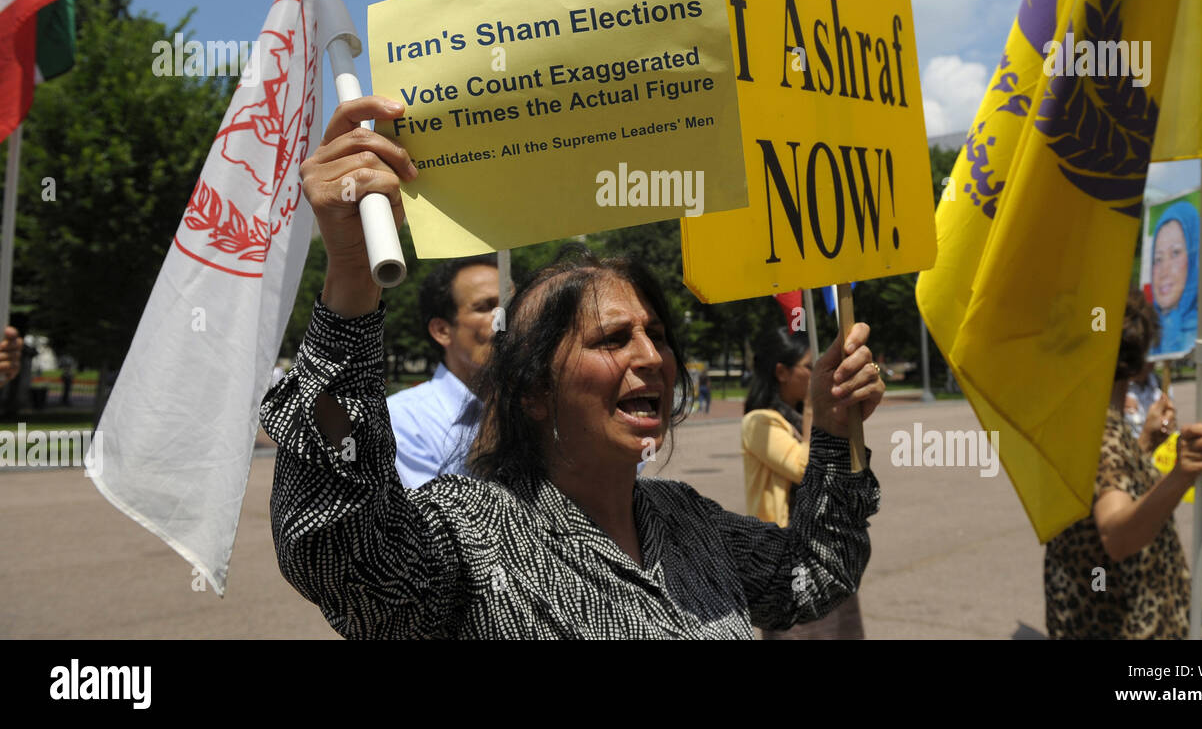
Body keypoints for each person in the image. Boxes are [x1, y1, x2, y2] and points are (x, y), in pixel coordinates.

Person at [261, 95, 886, 639]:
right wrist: (349, 271)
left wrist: (833, 431)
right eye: (613, 339)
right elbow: (339, 553)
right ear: (534, 391)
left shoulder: (689, 522)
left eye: (658, 334)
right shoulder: (473, 536)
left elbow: (813, 573)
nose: (651, 358)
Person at [1043, 289, 1202, 639]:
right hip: (1126, 627)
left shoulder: (1089, 424)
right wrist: (1180, 475)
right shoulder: (1100, 431)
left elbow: (1106, 482)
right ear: (1140, 360)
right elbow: (1117, 535)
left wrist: (1144, 444)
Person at [742, 326, 868, 640]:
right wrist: (815, 411)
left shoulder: (802, 420)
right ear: (782, 372)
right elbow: (805, 468)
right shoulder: (760, 422)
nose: (816, 374)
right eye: (809, 367)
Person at [386, 253, 501, 486]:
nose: (503, 319)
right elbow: (434, 519)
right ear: (442, 330)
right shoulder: (404, 420)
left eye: (511, 303)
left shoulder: (540, 406)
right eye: (485, 307)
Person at [1150, 202, 1198, 356]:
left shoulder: (1199, 335)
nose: (1164, 271)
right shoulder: (1147, 334)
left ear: (1192, 259)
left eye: (1175, 253)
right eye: (1158, 259)